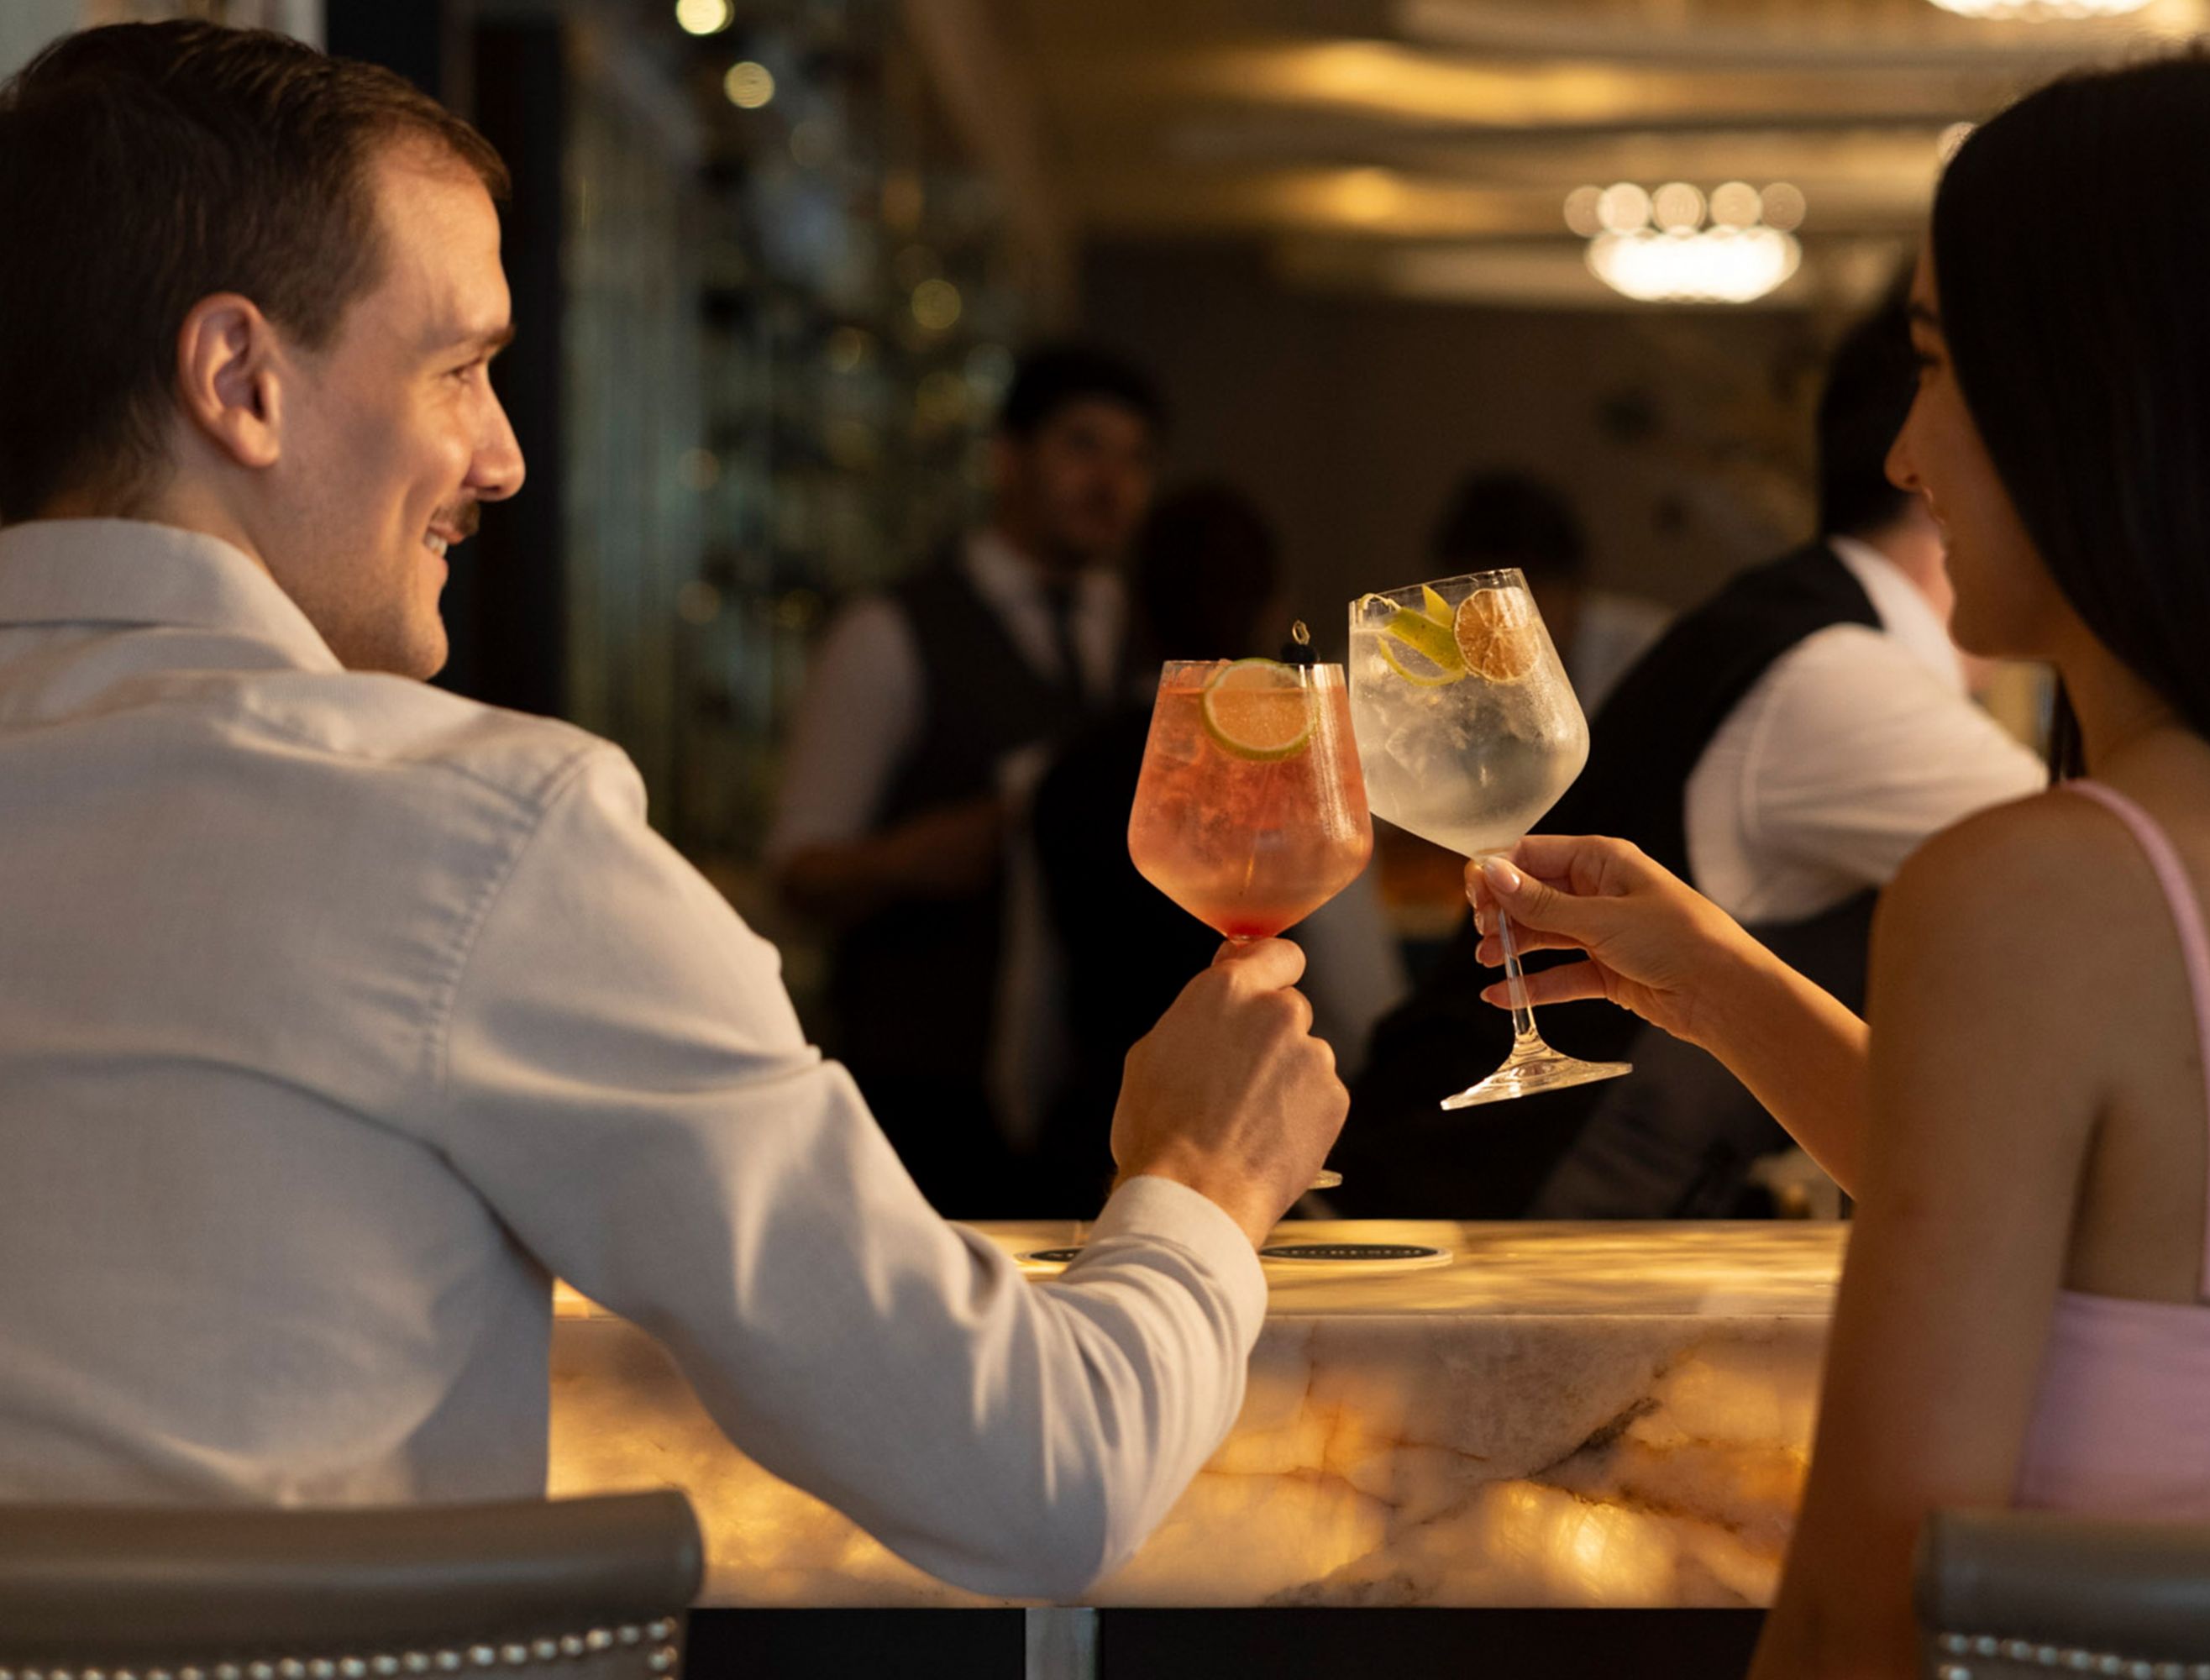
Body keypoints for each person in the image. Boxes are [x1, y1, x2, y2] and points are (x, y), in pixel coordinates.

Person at [0, 20, 1346, 1604]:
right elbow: (1043, 1475)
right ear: (241, 380)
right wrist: (1198, 1173)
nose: (501, 457)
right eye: (462, 367)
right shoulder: (478, 833)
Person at [1462, 43, 2210, 1676]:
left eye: (1943, 367)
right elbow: (2155, 1261)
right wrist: (1735, 991)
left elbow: (1862, 1615)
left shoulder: (2044, 891)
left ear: (2115, 398)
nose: (1901, 455)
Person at [1335, 297, 2041, 1218]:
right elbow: (2111, 889)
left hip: (1512, 1208)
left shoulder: (1793, 627)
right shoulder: (1836, 677)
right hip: (1485, 1221)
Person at [769, 344, 1161, 1212]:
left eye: (1133, 459)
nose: (1111, 482)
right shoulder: (890, 632)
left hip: (1097, 1104)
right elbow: (797, 869)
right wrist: (909, 858)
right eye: (1083, 447)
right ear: (1005, 458)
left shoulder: (1144, 634)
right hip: (927, 1099)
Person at [1030, 484, 1405, 1214]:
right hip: (1251, 1179)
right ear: (1273, 604)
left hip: (1086, 1157)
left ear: (1135, 611)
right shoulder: (1299, 749)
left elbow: (1029, 1015)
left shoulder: (1058, 772)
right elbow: (1363, 1001)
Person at [1425, 467, 1671, 714]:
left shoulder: (1651, 652)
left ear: (1573, 586)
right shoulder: (1444, 679)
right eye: (1476, 602)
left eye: (1516, 600)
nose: (1499, 623)